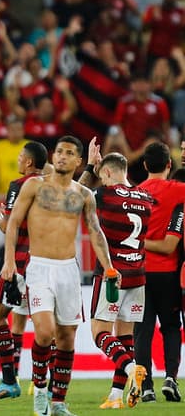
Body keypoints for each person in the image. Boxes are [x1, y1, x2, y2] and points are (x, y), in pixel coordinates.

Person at [1, 135, 118, 416]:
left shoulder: (84, 195)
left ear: (79, 161)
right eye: (59, 152)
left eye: (69, 153)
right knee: (44, 332)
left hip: (68, 270)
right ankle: (40, 388)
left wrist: (110, 267)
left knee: (66, 338)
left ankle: (58, 402)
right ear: (53, 157)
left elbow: (95, 232)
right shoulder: (34, 186)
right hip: (39, 267)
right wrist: (9, 262)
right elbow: (14, 222)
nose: (62, 156)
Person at [78, 142, 152, 408]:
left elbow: (74, 196)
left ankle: (132, 369)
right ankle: (116, 396)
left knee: (100, 332)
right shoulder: (145, 197)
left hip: (112, 274)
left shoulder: (105, 195)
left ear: (106, 173)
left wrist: (89, 166)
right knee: (126, 337)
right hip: (138, 275)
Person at [0, 141, 50, 400]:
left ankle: (9, 381)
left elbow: (10, 226)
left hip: (20, 261)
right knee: (48, 326)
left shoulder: (19, 185)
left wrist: (0, 218)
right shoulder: (54, 185)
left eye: (21, 156)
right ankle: (49, 382)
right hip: (49, 262)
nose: (18, 160)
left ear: (29, 162)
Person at [135, 141, 184, 403]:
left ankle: (146, 388)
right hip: (168, 273)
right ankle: (171, 378)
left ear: (144, 165)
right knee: (171, 328)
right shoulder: (178, 191)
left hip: (139, 273)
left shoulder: (134, 193)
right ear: (169, 164)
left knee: (142, 331)